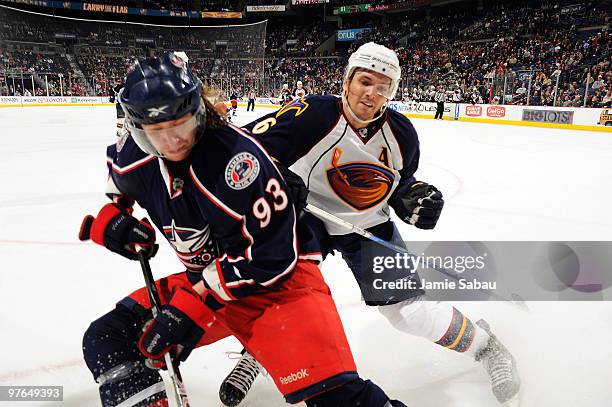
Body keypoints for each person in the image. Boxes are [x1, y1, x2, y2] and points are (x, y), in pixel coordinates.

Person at [79, 52, 406, 407]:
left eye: (181, 125)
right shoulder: (134, 154)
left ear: (198, 111)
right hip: (207, 284)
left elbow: (273, 258)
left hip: (281, 289)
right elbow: (119, 188)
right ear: (139, 128)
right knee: (108, 338)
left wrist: (195, 303)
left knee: (340, 399)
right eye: (158, 132)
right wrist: (114, 219)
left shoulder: (238, 162)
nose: (173, 141)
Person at [220, 42, 520, 406]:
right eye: (365, 81)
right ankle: (261, 354)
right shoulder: (311, 114)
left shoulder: (402, 134)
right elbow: (246, 149)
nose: (371, 94)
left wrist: (411, 200)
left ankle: (488, 349)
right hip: (308, 217)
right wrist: (280, 177)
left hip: (368, 224)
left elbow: (399, 183)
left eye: (383, 87)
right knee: (280, 285)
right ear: (347, 81)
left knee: (410, 313)